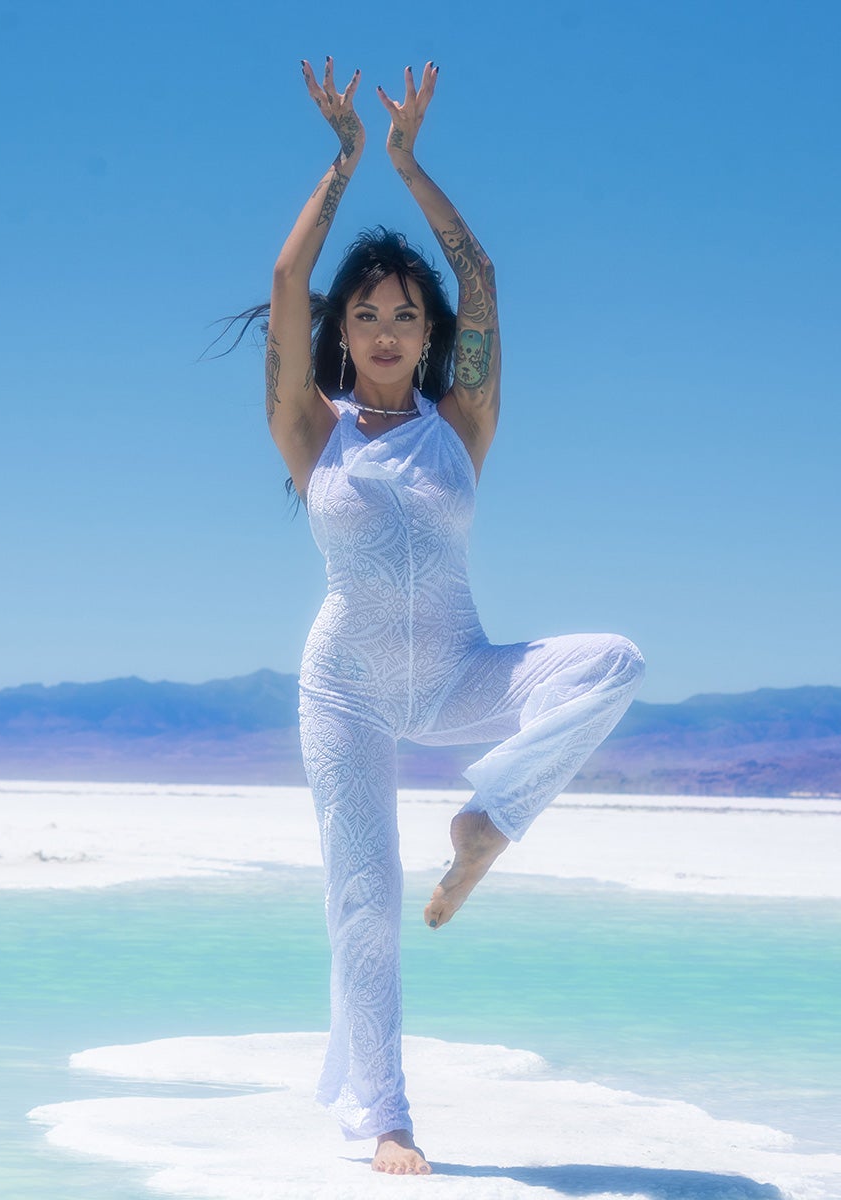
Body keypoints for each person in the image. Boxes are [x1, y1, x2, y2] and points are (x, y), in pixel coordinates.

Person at [212, 58, 647, 1175]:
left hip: (458, 674)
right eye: (368, 316)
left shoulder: (464, 419)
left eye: (408, 314)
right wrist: (345, 162)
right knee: (364, 901)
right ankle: (387, 1118)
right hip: (347, 690)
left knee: (611, 662)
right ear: (344, 335)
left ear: (428, 330)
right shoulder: (313, 434)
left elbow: (483, 271)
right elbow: (284, 275)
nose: (390, 329)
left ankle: (485, 825)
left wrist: (410, 165)